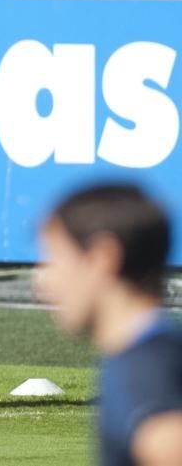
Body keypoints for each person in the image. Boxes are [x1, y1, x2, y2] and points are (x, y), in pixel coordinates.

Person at [35, 183, 182, 466]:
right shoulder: (155, 355)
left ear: (103, 257)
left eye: (54, 259)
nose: (42, 283)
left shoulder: (142, 373)